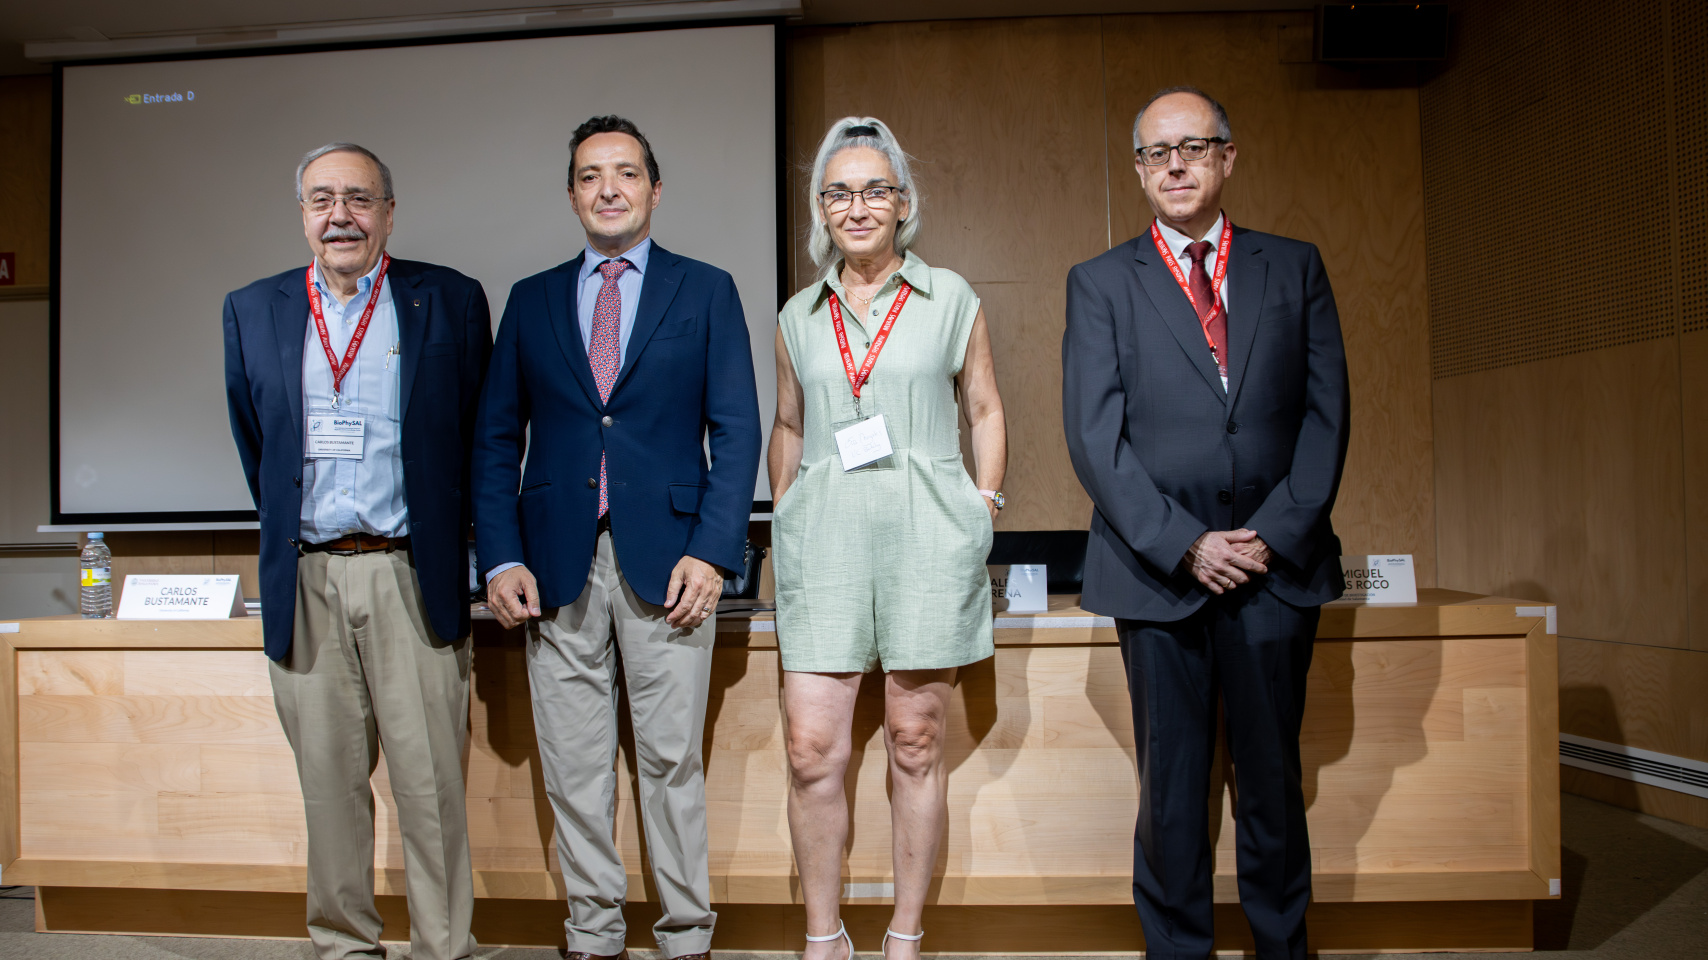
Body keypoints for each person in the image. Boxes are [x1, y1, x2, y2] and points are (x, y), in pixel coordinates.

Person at [1061, 86, 1351, 960]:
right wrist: (1184, 542)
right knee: (1175, 795)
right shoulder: (1102, 282)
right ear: (1140, 171)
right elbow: (1093, 435)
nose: (1175, 164)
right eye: (1156, 152)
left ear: (1228, 156)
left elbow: (1326, 417)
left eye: (1194, 146)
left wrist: (1274, 532)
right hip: (1158, 579)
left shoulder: (1293, 266)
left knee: (1271, 787)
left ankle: (1282, 948)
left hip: (1275, 569)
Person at [472, 115, 761, 960]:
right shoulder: (530, 300)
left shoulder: (705, 289)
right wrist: (500, 554)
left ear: (654, 189)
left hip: (672, 561)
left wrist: (713, 550)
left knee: (671, 762)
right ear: (571, 195)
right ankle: (591, 934)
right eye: (591, 176)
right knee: (574, 765)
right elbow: (496, 440)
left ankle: (685, 937)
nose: (608, 189)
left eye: (626, 173)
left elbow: (736, 430)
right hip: (554, 561)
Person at [223, 142, 490, 960]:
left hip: (410, 572)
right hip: (305, 576)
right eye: (322, 200)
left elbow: (480, 437)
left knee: (431, 785)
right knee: (329, 788)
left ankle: (443, 946)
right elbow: (254, 438)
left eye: (359, 199)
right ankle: (343, 944)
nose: (340, 215)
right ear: (302, 213)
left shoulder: (446, 299)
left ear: (388, 211)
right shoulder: (253, 307)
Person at [769, 117, 1008, 960]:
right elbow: (790, 425)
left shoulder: (952, 297)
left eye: (875, 189)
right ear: (820, 208)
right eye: (840, 192)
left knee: (915, 741)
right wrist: (788, 510)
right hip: (824, 541)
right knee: (810, 751)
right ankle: (824, 938)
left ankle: (904, 938)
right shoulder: (799, 315)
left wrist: (982, 504)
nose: (858, 206)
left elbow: (983, 407)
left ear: (903, 202)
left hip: (924, 538)